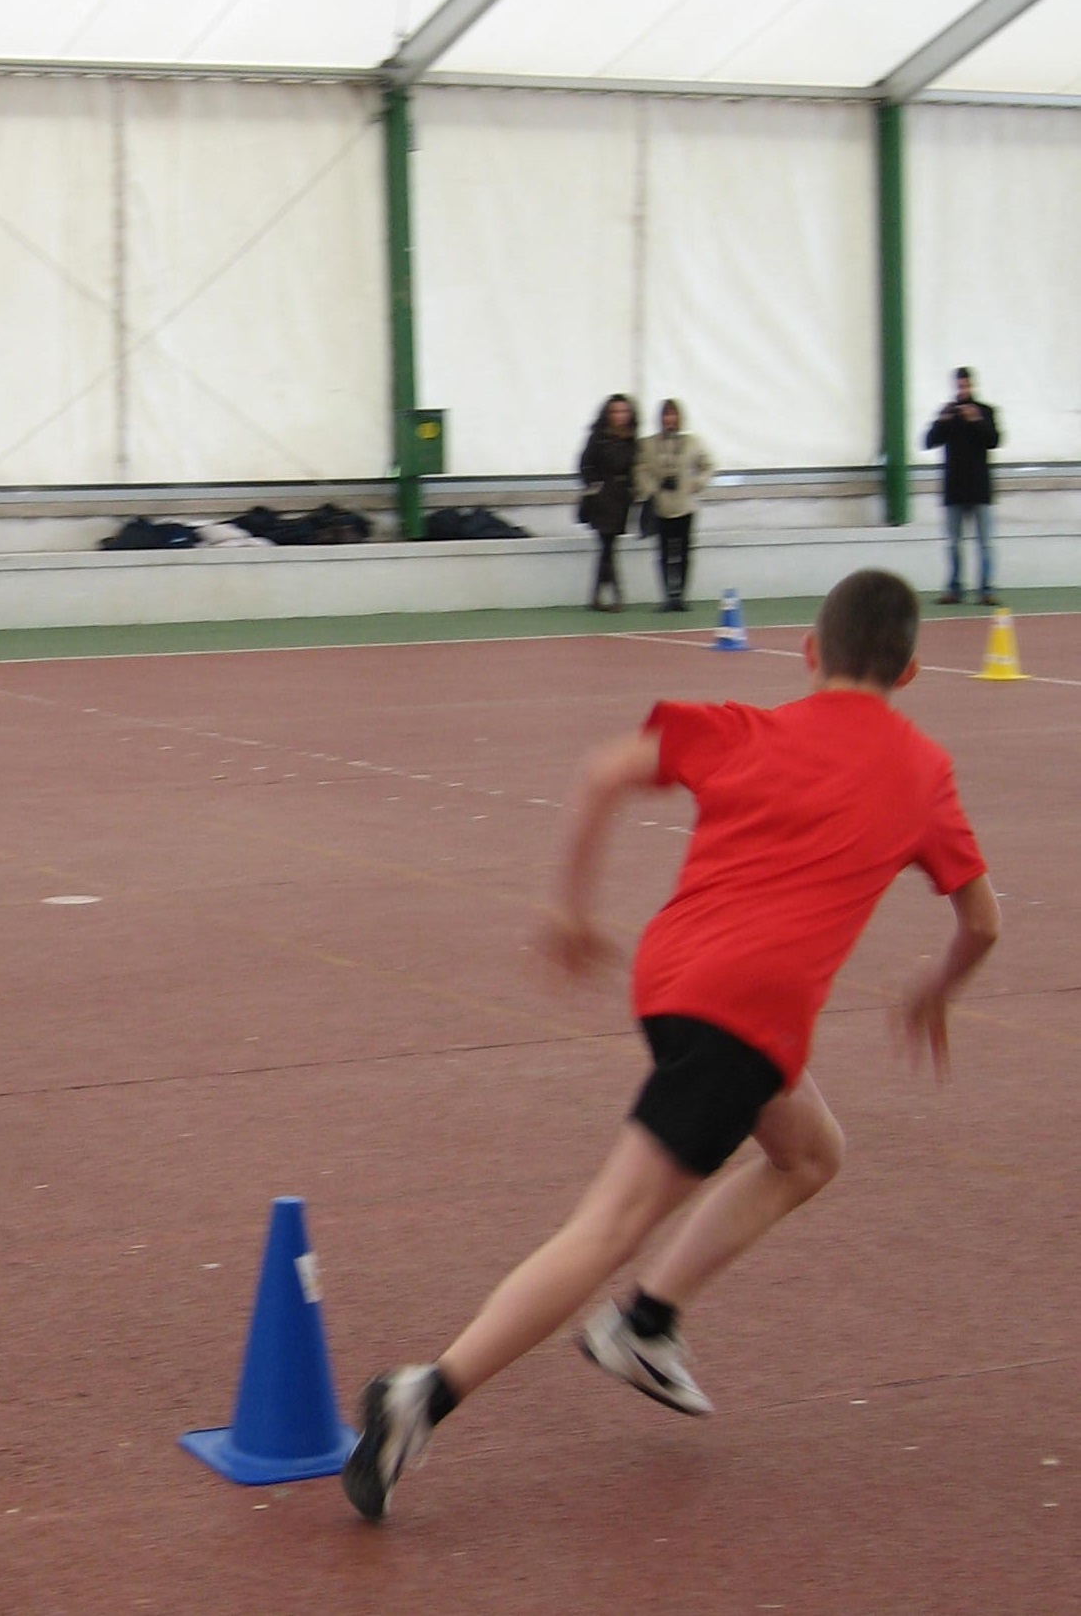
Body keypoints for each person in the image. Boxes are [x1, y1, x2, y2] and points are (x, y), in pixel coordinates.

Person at [339, 568, 999, 1523]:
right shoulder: (924, 769)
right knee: (606, 1228)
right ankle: (425, 1394)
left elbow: (605, 770)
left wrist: (568, 906)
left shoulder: (746, 726)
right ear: (911, 670)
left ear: (810, 652)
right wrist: (939, 989)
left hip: (676, 979)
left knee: (810, 1153)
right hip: (748, 1017)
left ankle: (647, 1322)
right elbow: (981, 924)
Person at [923, 367, 1000, 605]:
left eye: (966, 386)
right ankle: (954, 588)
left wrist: (976, 420)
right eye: (959, 386)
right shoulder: (948, 413)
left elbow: (994, 440)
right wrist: (941, 422)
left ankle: (986, 590)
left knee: (985, 542)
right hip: (954, 489)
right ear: (955, 387)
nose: (963, 390)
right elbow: (928, 441)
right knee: (953, 542)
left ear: (972, 386)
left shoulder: (984, 411)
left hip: (979, 489)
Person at [632, 399, 715, 613]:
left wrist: (696, 483)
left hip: (685, 505)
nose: (669, 420)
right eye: (666, 416)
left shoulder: (692, 443)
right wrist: (652, 489)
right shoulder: (648, 444)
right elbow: (639, 470)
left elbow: (708, 465)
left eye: (673, 415)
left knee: (685, 552)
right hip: (661, 505)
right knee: (664, 552)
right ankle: (667, 595)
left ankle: (681, 596)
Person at [578, 395, 639, 612]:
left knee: (608, 547)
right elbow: (585, 464)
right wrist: (596, 485)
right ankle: (615, 594)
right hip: (602, 499)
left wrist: (633, 489)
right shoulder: (599, 438)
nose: (619, 416)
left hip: (622, 498)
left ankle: (597, 595)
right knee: (607, 545)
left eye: (623, 412)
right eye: (615, 412)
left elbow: (636, 468)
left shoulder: (632, 439)